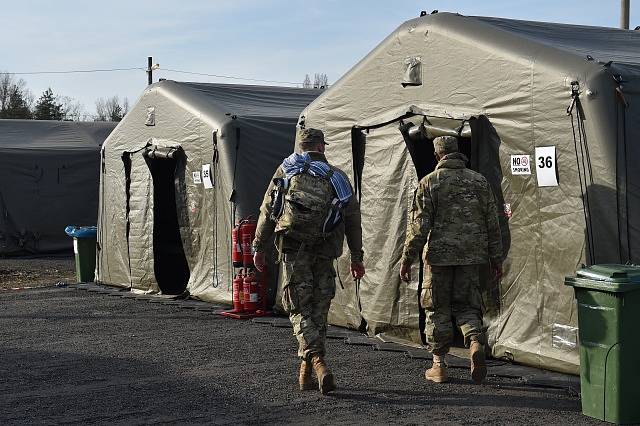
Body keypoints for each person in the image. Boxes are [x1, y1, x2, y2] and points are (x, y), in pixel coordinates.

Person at [252, 128, 365, 395]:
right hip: (325, 252)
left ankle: (314, 362)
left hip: (293, 251)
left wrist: (258, 247)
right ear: (321, 147)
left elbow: (268, 210)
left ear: (302, 147)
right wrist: (357, 257)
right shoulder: (337, 177)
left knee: (298, 310)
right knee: (318, 311)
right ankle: (310, 370)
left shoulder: (287, 171)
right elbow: (352, 220)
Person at [399, 135, 503, 384]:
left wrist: (407, 259)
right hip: (472, 256)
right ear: (458, 153)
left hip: (439, 258)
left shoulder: (429, 183)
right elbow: (493, 222)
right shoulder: (479, 181)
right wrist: (495, 258)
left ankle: (439, 365)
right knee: (468, 305)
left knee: (437, 308)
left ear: (437, 155)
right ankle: (476, 342)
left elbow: (419, 227)